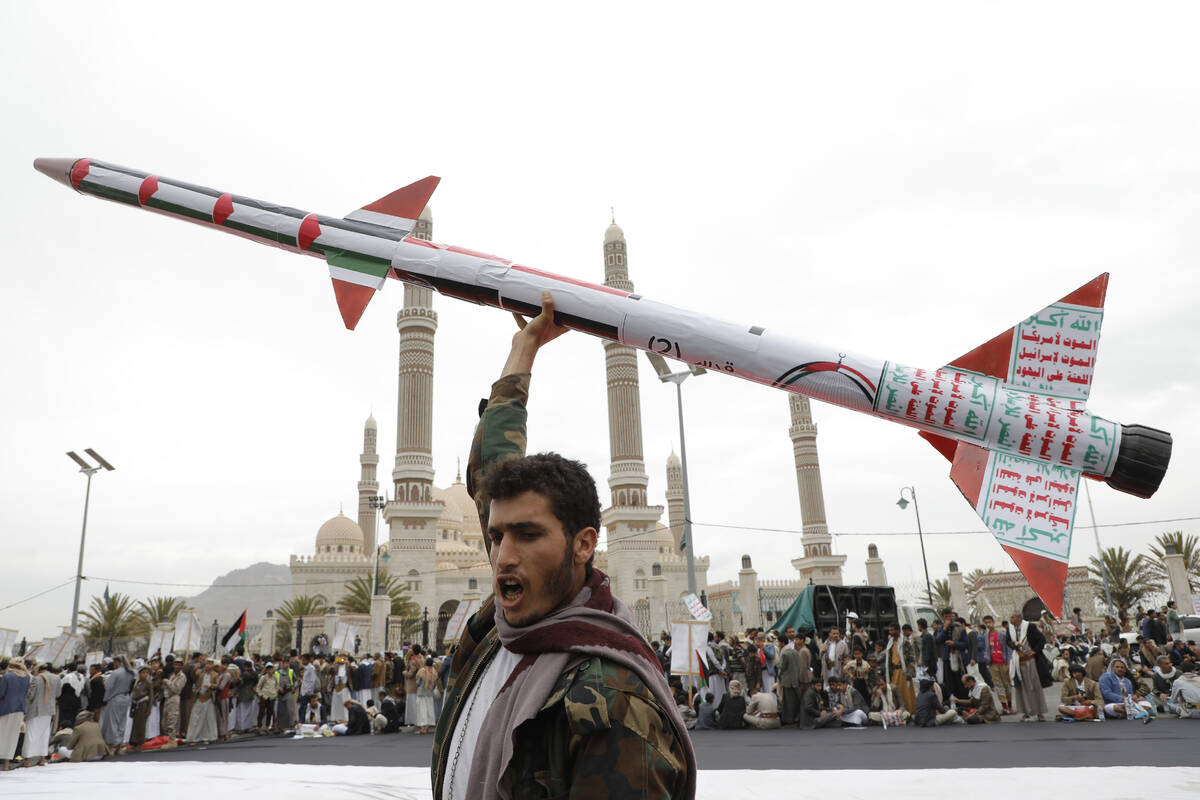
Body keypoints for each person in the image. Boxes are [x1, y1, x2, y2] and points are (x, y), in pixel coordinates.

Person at [431, 293, 694, 800]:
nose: (504, 555)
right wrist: (524, 347)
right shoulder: (499, 635)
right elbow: (492, 466)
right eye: (496, 536)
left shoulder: (611, 700)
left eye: (528, 535)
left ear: (583, 545)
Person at [1006, 613, 1049, 722]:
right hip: (1018, 662)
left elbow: (1041, 640)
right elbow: (1008, 642)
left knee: (1034, 687)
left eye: (1013, 617)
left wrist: (1034, 650)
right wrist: (1014, 644)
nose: (1011, 619)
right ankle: (1026, 713)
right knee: (1021, 688)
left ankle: (1040, 713)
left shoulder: (1030, 627)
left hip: (1030, 662)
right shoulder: (1010, 628)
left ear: (1019, 618)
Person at [22, 663, 58, 766]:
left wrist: (26, 709)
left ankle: (28, 760)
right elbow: (58, 693)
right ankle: (42, 759)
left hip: (35, 710)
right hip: (49, 710)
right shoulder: (56, 678)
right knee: (45, 734)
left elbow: (30, 695)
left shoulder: (36, 679)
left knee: (31, 734)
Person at [100, 656, 134, 753]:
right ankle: (119, 745)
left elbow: (108, 686)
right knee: (122, 722)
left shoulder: (116, 673)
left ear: (116, 662)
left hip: (116, 697)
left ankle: (111, 745)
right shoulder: (130, 672)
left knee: (112, 722)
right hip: (126, 697)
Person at [185, 663, 219, 744]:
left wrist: (211, 685)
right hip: (199, 697)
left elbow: (217, 685)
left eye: (210, 664)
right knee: (195, 718)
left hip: (209, 698)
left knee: (208, 719)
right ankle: (193, 738)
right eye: (207, 664)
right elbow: (193, 677)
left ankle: (206, 738)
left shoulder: (215, 674)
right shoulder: (199, 672)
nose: (208, 666)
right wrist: (194, 669)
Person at [774, 633, 803, 726]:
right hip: (795, 679)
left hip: (787, 680)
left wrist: (776, 662)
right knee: (794, 701)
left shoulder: (785, 653)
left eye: (779, 642)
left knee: (788, 702)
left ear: (782, 643)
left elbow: (782, 666)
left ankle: (788, 719)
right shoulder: (794, 651)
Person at [128, 665, 154, 750]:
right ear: (139, 673)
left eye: (147, 673)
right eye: (143, 672)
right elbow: (134, 696)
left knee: (141, 724)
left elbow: (151, 696)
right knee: (135, 724)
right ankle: (134, 742)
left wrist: (149, 709)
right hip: (136, 705)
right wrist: (132, 709)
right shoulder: (137, 682)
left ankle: (140, 743)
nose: (145, 674)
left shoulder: (148, 683)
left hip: (143, 704)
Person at [59, 664, 86, 729]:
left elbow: (61, 687)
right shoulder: (81, 676)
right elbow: (82, 687)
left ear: (68, 669)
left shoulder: (68, 677)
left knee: (64, 718)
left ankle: (63, 730)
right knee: (73, 718)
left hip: (66, 700)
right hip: (77, 699)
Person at [255, 662, 280, 733]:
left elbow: (277, 686)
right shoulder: (263, 677)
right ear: (266, 670)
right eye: (268, 669)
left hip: (272, 697)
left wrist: (275, 693)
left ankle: (267, 727)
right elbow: (258, 687)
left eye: (271, 669)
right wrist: (261, 695)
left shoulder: (275, 677)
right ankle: (259, 727)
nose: (270, 671)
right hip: (264, 696)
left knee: (270, 712)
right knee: (261, 712)